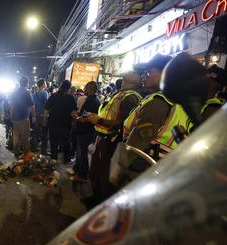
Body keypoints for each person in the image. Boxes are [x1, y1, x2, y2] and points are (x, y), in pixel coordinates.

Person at [110, 54, 193, 187]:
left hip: (143, 167)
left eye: (148, 72)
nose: (144, 75)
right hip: (167, 168)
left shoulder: (157, 102)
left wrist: (118, 170)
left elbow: (138, 142)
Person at [85, 71, 142, 206]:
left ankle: (100, 205)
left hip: (111, 141)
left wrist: (100, 120)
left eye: (125, 80)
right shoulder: (121, 94)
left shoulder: (131, 98)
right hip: (103, 137)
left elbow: (123, 123)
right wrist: (97, 118)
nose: (122, 82)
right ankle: (95, 198)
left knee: (105, 175)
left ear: (133, 83)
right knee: (97, 172)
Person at [43, 80, 77, 163]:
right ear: (69, 88)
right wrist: (74, 122)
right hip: (66, 125)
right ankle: (67, 159)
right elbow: (74, 113)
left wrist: (44, 120)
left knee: (53, 142)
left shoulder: (53, 96)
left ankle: (54, 159)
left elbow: (46, 110)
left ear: (61, 86)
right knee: (66, 142)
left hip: (53, 123)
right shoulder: (71, 98)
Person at [9, 77, 36, 157]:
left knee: (16, 136)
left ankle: (16, 152)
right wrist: (34, 116)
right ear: (27, 83)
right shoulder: (27, 93)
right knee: (25, 137)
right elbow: (31, 106)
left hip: (15, 118)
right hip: (24, 118)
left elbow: (11, 106)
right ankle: (26, 154)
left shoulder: (14, 93)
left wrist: (11, 116)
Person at [31, 79, 49, 154]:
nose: (46, 85)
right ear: (43, 85)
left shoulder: (34, 94)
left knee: (35, 132)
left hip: (36, 115)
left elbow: (32, 105)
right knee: (44, 133)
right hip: (42, 115)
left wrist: (33, 116)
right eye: (45, 83)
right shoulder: (45, 93)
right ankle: (43, 150)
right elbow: (47, 105)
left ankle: (33, 147)